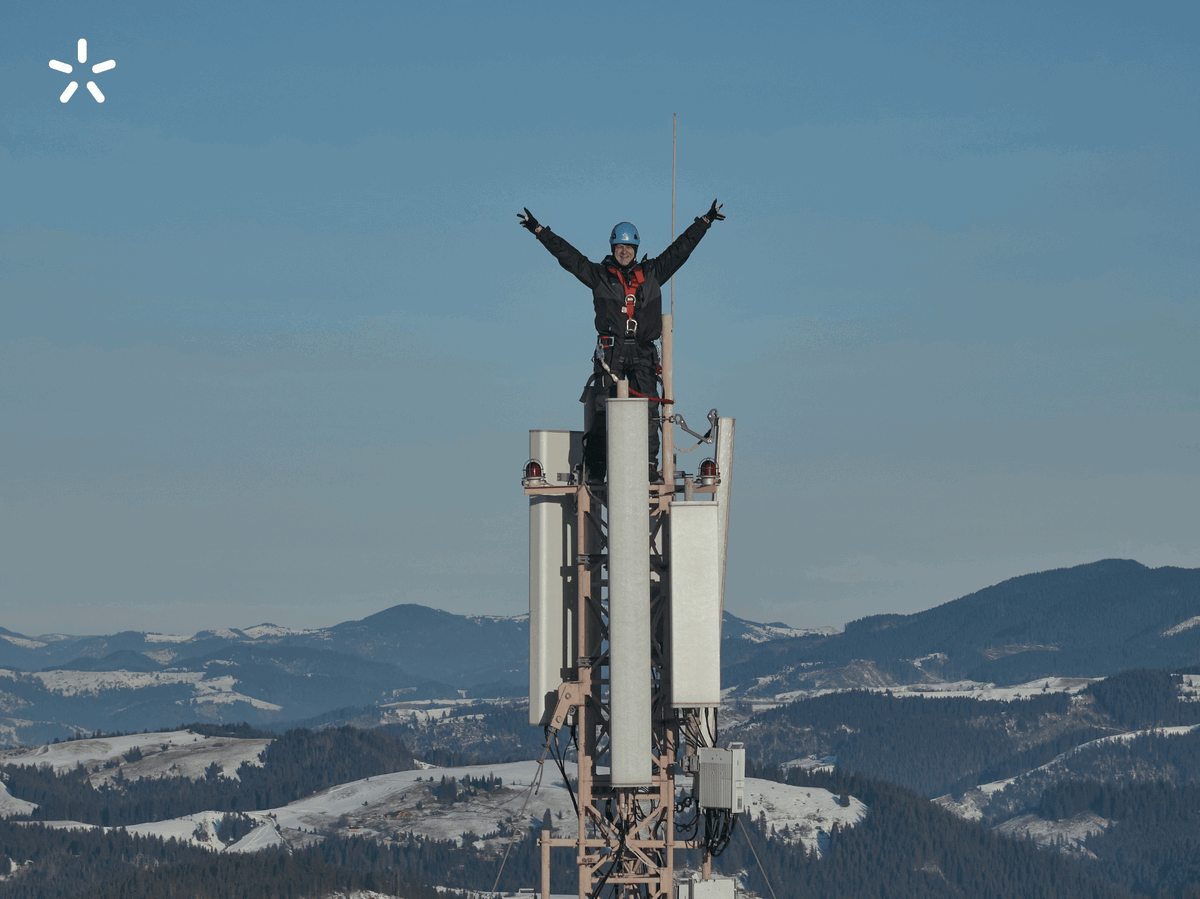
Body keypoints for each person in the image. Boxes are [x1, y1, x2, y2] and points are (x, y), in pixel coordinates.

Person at [518, 200, 725, 483]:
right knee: (603, 408)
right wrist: (539, 230)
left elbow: (680, 250)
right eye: (619, 247)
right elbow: (568, 257)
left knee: (650, 408)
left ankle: (649, 465)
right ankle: (597, 469)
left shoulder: (653, 273)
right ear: (612, 248)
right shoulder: (599, 276)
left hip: (642, 351)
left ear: (636, 250)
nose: (624, 251)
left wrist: (704, 222)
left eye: (628, 247)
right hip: (611, 352)